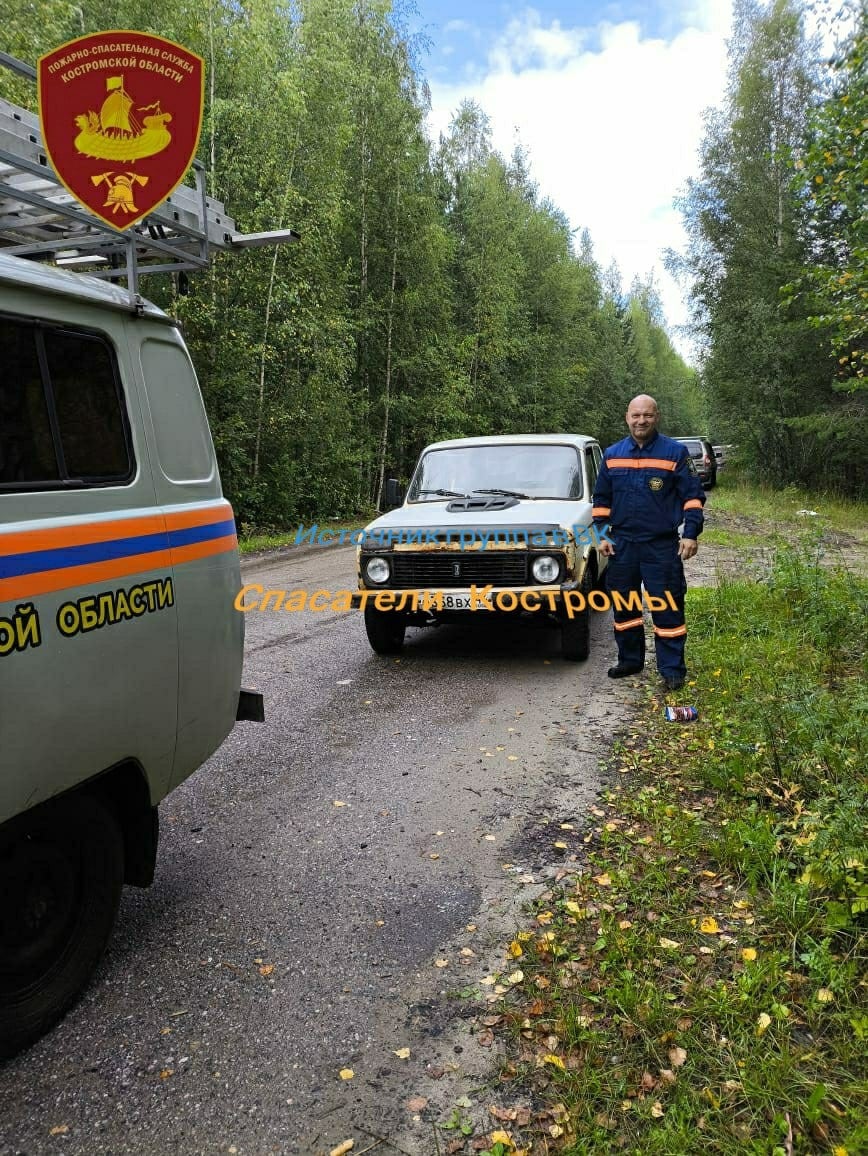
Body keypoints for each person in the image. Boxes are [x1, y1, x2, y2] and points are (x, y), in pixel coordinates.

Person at [592, 394, 705, 691]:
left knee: (667, 606)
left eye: (648, 415)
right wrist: (602, 535)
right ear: (627, 417)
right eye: (636, 415)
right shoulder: (613, 454)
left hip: (660, 545)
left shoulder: (675, 453)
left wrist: (691, 533)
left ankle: (671, 669)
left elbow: (692, 497)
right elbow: (601, 499)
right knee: (624, 605)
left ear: (657, 417)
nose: (641, 420)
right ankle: (630, 660)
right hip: (622, 544)